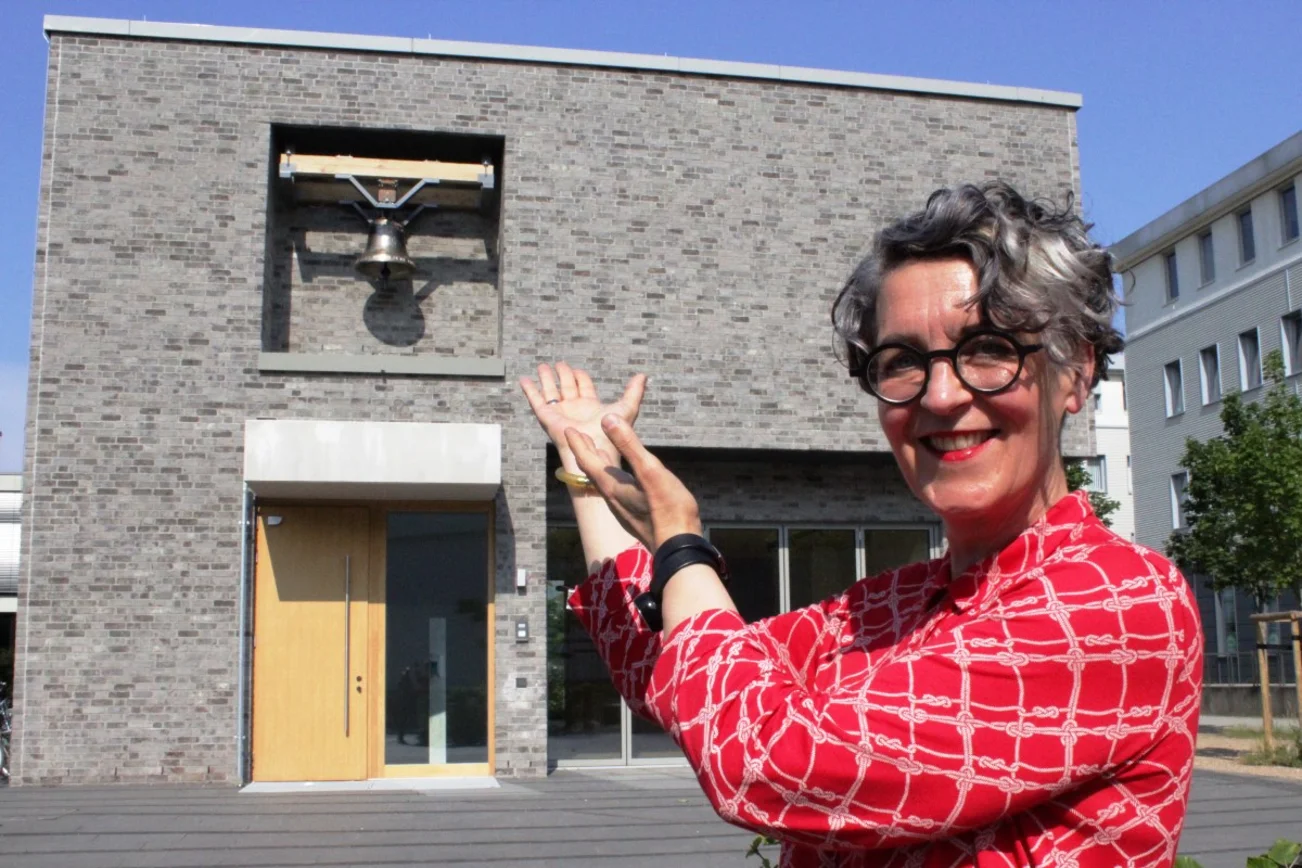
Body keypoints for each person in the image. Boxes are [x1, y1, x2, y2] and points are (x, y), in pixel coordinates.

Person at [520, 182, 1202, 867]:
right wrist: (592, 473)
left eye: (990, 348)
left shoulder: (1120, 602)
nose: (941, 395)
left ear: (1076, 374)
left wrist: (683, 549)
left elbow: (767, 762)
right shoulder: (884, 607)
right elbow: (675, 672)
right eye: (902, 361)